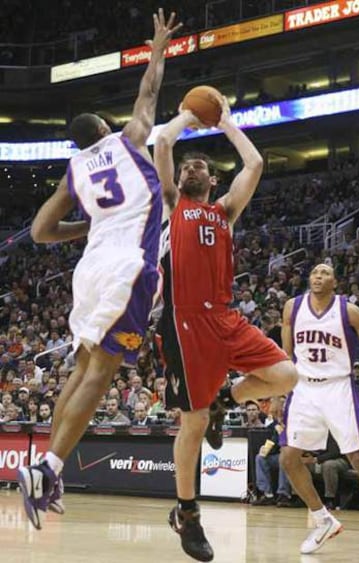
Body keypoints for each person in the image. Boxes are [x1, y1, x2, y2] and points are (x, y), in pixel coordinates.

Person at [17, 9, 182, 531]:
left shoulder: (73, 171)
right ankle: (49, 468)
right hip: (128, 266)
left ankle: (45, 463)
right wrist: (157, 49)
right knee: (103, 372)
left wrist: (83, 230)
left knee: (83, 367)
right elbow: (149, 93)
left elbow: (41, 231)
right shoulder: (128, 138)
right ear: (105, 131)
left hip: (88, 272)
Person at [154, 98, 298, 562]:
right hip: (184, 320)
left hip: (224, 317)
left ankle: (225, 399)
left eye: (201, 165)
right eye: (187, 165)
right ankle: (186, 512)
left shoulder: (225, 210)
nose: (192, 166)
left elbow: (254, 162)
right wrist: (188, 118)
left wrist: (228, 123)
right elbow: (162, 141)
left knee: (286, 375)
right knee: (191, 422)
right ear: (178, 180)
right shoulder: (171, 204)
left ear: (213, 180)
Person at [280, 263, 359, 557]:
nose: (318, 277)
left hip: (338, 388)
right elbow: (285, 356)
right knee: (289, 457)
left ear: (335, 282)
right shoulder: (292, 308)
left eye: (325, 273)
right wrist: (280, 390)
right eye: (315, 273)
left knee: (357, 457)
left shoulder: (349, 311)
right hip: (304, 387)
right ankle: (322, 520)